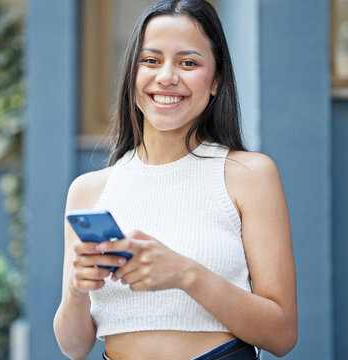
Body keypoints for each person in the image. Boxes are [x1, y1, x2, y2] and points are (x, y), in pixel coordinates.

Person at [54, 0, 297, 359]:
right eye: (151, 60)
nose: (167, 76)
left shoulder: (250, 175)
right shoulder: (88, 190)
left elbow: (282, 335)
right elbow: (74, 347)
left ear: (215, 80)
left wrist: (186, 274)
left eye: (189, 62)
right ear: (132, 75)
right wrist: (76, 290)